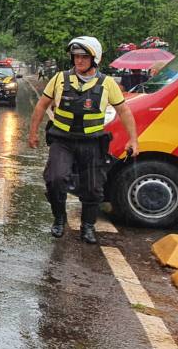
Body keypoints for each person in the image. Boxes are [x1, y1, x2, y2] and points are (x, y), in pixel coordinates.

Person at [28, 36, 139, 244]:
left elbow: (124, 111)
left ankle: (87, 227)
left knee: (93, 187)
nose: (78, 61)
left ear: (94, 59)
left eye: (84, 57)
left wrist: (133, 139)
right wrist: (32, 132)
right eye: (76, 57)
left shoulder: (107, 84)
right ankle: (59, 219)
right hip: (63, 140)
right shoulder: (60, 79)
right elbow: (41, 105)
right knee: (55, 179)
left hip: (92, 142)